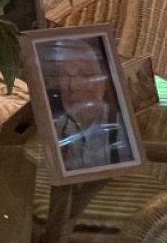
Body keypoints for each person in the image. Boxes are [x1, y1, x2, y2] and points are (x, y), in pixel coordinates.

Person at [43, 41, 132, 172]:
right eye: (63, 75)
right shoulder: (62, 125)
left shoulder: (123, 128)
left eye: (84, 75)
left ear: (102, 82)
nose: (71, 86)